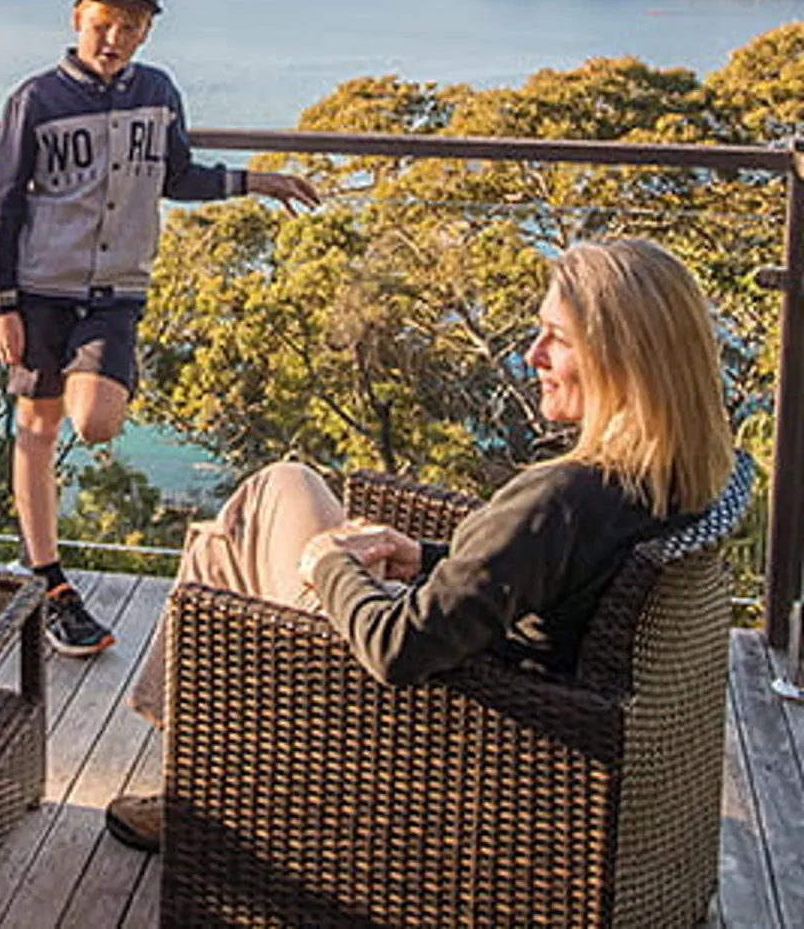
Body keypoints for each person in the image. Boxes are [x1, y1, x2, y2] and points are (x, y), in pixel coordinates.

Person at [104, 236, 738, 850]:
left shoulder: (563, 499)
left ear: (622, 359)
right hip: (511, 688)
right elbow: (537, 579)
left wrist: (331, 567)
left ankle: (199, 789)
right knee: (247, 524)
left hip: (432, 718)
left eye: (557, 340)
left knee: (258, 508)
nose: (531, 355)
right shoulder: (684, 472)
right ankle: (198, 781)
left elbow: (397, 650)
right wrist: (426, 557)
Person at [0, 0, 320, 657]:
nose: (115, 37)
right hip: (42, 287)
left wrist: (258, 181)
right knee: (37, 429)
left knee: (97, 420)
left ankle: (38, 566)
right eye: (104, 23)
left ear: (146, 33)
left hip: (116, 291)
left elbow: (178, 174)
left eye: (131, 26)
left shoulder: (159, 92)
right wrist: (0, 304)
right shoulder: (36, 99)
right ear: (78, 18)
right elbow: (2, 204)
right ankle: (46, 577)